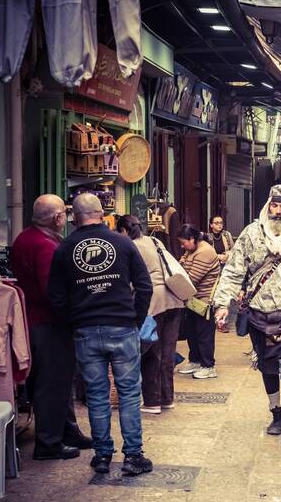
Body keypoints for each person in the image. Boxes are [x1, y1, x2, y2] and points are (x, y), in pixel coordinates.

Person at [48, 193, 153, 476]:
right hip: (121, 326)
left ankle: (103, 455)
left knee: (96, 395)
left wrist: (74, 324)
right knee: (129, 393)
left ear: (74, 216)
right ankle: (133, 456)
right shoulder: (123, 243)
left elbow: (56, 299)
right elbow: (145, 286)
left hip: (85, 330)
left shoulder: (64, 248)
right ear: (102, 212)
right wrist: (135, 320)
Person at [213, 184, 281, 448]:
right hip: (259, 315)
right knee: (267, 366)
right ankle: (275, 413)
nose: (278, 211)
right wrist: (221, 304)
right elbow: (233, 270)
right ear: (268, 206)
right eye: (274, 206)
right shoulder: (252, 234)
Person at [11, 194, 92, 460]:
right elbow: (53, 292)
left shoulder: (24, 238)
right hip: (48, 323)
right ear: (58, 218)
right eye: (64, 214)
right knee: (52, 382)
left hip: (32, 321)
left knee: (58, 381)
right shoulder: (46, 246)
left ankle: (67, 431)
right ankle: (48, 442)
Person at [116, 215, 184, 415]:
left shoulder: (130, 247)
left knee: (151, 352)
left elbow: (131, 280)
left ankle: (153, 401)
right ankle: (167, 398)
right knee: (168, 352)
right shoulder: (154, 240)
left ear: (124, 231)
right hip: (173, 299)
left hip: (153, 303)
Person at [177, 224, 222, 380]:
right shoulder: (192, 249)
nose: (183, 247)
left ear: (192, 238)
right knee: (192, 333)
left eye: (184, 243)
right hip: (192, 300)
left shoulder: (205, 252)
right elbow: (181, 265)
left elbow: (191, 279)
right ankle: (195, 361)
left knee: (204, 335)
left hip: (203, 300)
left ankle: (209, 366)